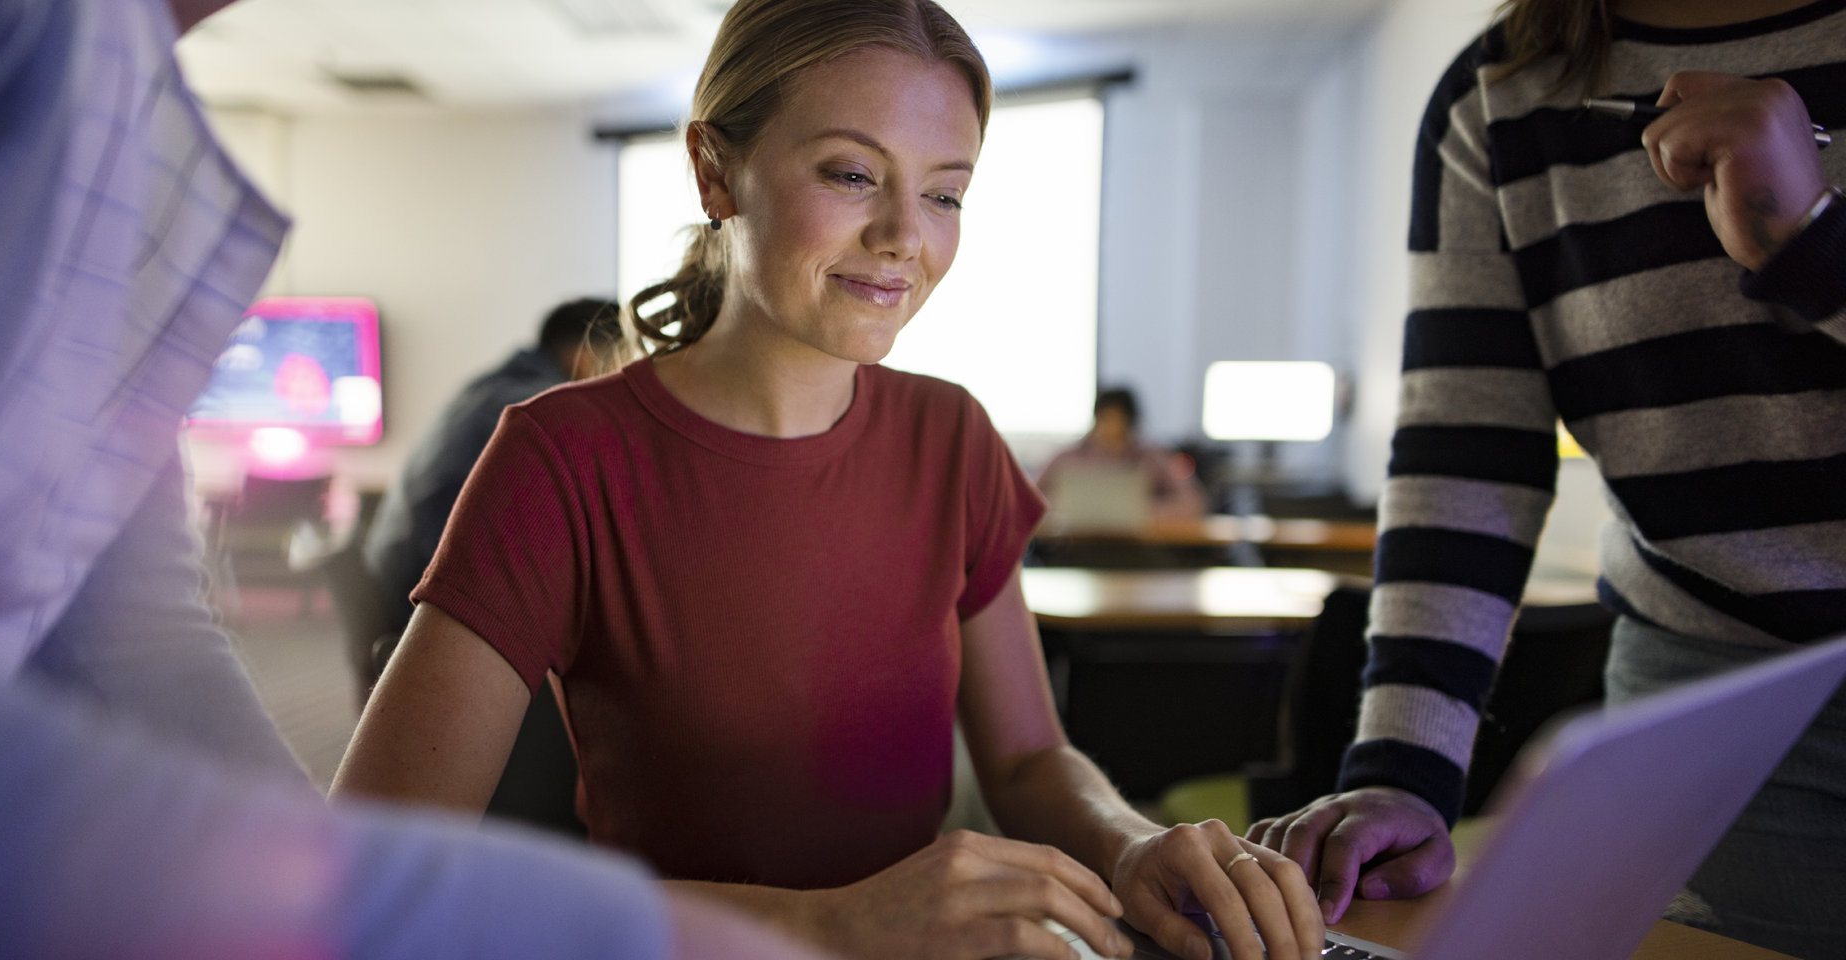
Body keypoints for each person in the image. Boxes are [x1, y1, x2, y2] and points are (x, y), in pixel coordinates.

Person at [331, 3, 1325, 960]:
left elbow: (1027, 761)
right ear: (715, 172)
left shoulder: (952, 436)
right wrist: (828, 928)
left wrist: (1128, 840)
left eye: (944, 194)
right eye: (852, 174)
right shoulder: (561, 457)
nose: (904, 236)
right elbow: (373, 879)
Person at [0, 0, 833, 956]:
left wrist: (323, 891)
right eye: (847, 173)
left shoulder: (114, 77)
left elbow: (132, 629)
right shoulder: (548, 431)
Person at [1246, 1, 1846, 956]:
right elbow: (1465, 462)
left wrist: (1814, 244)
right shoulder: (1497, 97)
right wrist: (1402, 771)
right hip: (1709, 704)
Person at [366, 298, 625, 625]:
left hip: (394, 576)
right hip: (423, 597)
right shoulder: (539, 407)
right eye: (623, 361)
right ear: (587, 357)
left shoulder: (494, 388)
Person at [1037, 387, 1206, 523]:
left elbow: (1194, 502)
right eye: (1105, 420)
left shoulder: (1154, 458)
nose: (1111, 429)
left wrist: (1143, 511)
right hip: (1070, 546)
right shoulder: (1066, 458)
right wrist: (1062, 507)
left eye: (1118, 422)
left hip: (1140, 547)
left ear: (1131, 423)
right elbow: (1030, 500)